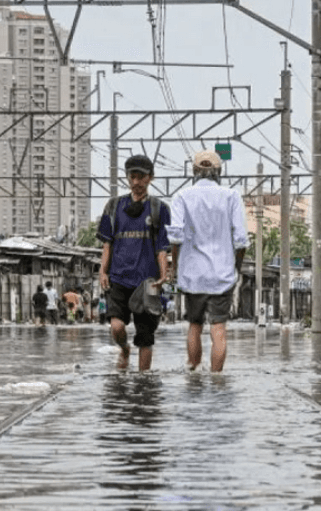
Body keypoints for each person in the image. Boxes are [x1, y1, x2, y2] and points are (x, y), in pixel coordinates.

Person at [168, 150, 249, 372]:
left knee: (194, 326)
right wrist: (236, 269)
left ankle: (193, 370)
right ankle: (216, 377)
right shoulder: (231, 197)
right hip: (222, 275)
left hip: (192, 275)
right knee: (218, 329)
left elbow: (175, 237)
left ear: (194, 172)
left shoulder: (181, 197)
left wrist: (175, 268)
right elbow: (241, 241)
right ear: (219, 172)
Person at [96, 153, 171, 370]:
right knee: (117, 327)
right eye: (132, 177)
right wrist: (103, 271)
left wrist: (163, 275)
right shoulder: (113, 207)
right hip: (119, 277)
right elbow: (107, 244)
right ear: (127, 178)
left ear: (150, 178)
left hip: (148, 281)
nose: (136, 182)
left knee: (146, 335)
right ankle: (125, 349)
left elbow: (162, 247)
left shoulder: (160, 209)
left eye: (141, 177)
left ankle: (143, 382)